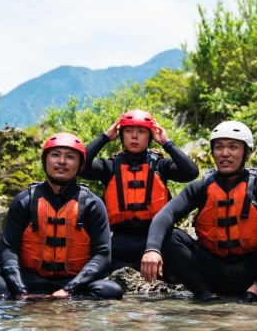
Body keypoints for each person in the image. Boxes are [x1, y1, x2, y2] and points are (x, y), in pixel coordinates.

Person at [140, 121, 257, 302]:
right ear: (213, 152)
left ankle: (255, 292)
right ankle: (206, 295)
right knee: (170, 235)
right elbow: (166, 215)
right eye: (219, 147)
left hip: (255, 271)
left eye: (233, 147)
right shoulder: (201, 187)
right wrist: (152, 249)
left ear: (247, 152)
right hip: (212, 272)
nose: (225, 153)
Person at [0, 133, 123, 301]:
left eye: (70, 157)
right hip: (28, 280)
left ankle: (60, 300)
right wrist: (20, 288)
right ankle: (18, 298)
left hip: (73, 283)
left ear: (80, 165)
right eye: (55, 155)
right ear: (45, 161)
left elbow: (102, 255)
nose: (62, 161)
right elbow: (9, 249)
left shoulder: (93, 204)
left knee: (111, 290)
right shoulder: (24, 200)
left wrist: (69, 289)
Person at [80, 110, 198, 272]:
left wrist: (167, 143)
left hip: (155, 240)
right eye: (128, 131)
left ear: (150, 137)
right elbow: (80, 167)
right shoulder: (109, 166)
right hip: (119, 241)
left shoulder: (161, 165)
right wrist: (105, 137)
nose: (134, 136)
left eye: (141, 132)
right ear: (121, 136)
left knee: (176, 239)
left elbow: (191, 172)